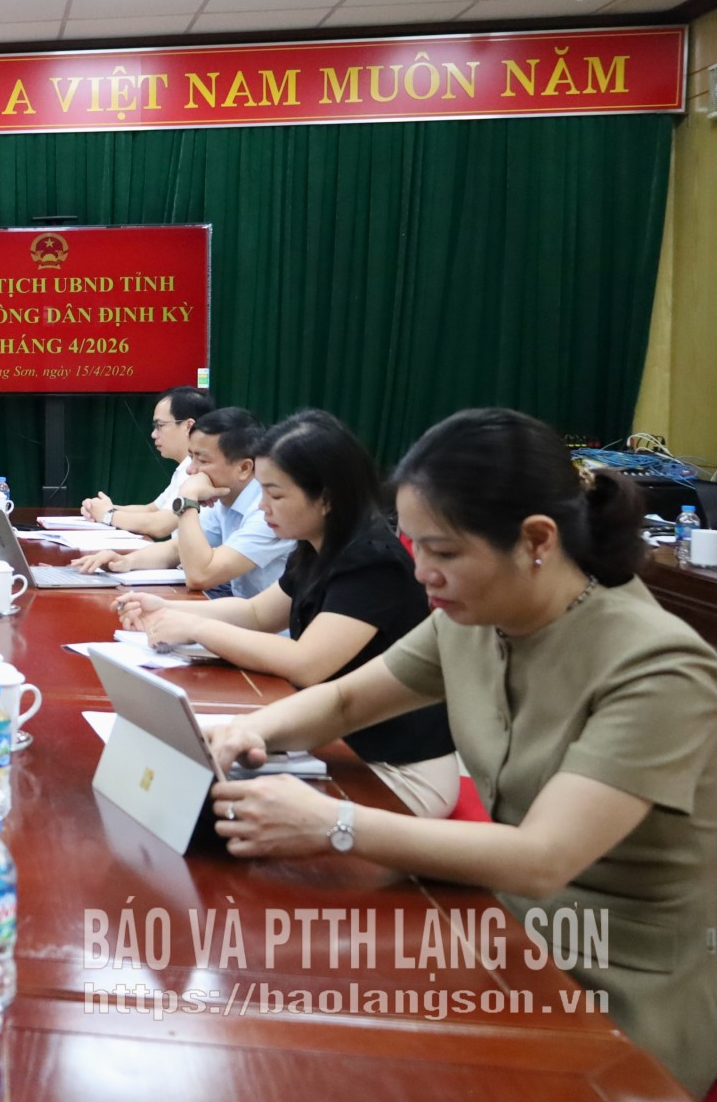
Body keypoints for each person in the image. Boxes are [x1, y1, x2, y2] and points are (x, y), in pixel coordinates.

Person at [203, 409, 717, 1095]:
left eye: (443, 552)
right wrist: (251, 731)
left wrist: (334, 823)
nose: (423, 573)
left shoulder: (657, 669)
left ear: (537, 540)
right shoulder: (478, 615)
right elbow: (347, 701)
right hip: (497, 928)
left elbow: (542, 857)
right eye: (415, 546)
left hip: (614, 983)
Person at [113, 411, 457, 816]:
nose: (263, 507)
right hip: (335, 740)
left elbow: (306, 663)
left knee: (203, 809)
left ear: (325, 498)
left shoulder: (371, 560)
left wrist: (197, 627)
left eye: (275, 495)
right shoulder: (317, 546)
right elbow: (257, 613)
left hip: (393, 768)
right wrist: (167, 607)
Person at [74, 406, 293, 598]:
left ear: (244, 468)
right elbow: (176, 548)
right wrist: (125, 561)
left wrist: (188, 497)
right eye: (191, 457)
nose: (191, 470)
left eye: (202, 460)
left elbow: (200, 576)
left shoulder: (268, 511)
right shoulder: (224, 498)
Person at [80, 386, 215, 539]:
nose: (153, 434)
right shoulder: (184, 468)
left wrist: (108, 515)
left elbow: (159, 525)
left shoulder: (199, 470)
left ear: (188, 426)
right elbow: (152, 509)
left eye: (160, 426)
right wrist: (98, 509)